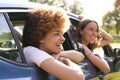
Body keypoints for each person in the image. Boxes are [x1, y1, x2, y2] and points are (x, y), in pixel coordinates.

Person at [22, 5, 85, 80]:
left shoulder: (46, 51)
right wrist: (64, 60)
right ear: (41, 37)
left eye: (62, 34)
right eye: (56, 34)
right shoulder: (31, 51)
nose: (63, 39)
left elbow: (80, 56)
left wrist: (59, 54)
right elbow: (79, 77)